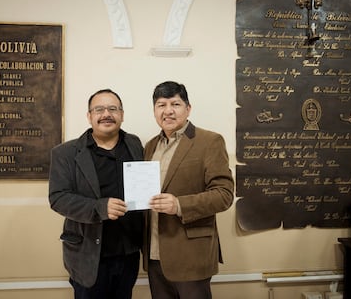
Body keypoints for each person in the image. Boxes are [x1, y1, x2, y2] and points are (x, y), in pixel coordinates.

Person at [48, 89, 144, 299]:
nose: (106, 114)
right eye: (99, 109)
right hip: (88, 257)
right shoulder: (65, 153)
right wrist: (100, 207)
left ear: (122, 114)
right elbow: (58, 198)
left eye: (113, 109)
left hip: (129, 255)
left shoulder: (135, 144)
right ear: (89, 115)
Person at [143, 81, 234, 299]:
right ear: (154, 111)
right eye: (161, 105)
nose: (168, 111)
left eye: (175, 104)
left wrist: (179, 205)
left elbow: (224, 195)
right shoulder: (150, 146)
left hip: (191, 256)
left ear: (188, 108)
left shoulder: (209, 141)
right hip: (154, 257)